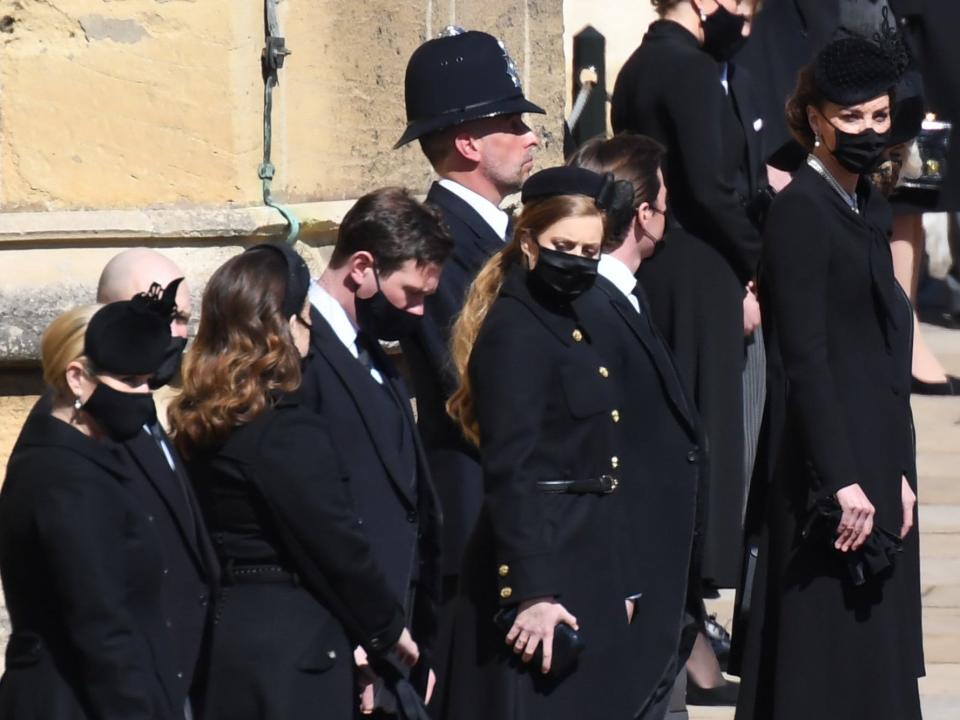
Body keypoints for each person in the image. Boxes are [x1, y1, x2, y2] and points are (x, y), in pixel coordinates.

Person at [732, 36, 923, 719]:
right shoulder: (801, 212)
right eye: (852, 118)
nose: (869, 132)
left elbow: (884, 351)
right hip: (826, 470)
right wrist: (841, 478)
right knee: (825, 655)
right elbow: (802, 360)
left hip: (878, 455)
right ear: (814, 117)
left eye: (879, 116)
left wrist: (898, 469)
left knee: (877, 655)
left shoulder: (867, 204)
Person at [168, 243, 422, 720]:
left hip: (224, 638)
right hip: (293, 648)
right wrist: (387, 628)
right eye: (304, 316)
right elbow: (334, 543)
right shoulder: (284, 429)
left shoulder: (198, 421)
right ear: (283, 326)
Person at [442, 166, 640, 720]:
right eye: (564, 246)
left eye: (589, 251)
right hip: (543, 560)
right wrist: (532, 591)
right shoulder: (515, 330)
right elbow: (512, 469)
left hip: (590, 557)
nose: (576, 261)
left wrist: (620, 577)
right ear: (528, 241)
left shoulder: (572, 318)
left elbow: (605, 457)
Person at [394, 29, 543, 704]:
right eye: (511, 123)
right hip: (478, 508)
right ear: (466, 143)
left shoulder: (497, 234)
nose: (530, 135)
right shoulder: (441, 243)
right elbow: (467, 380)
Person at [611, 0, 763, 600]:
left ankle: (688, 631)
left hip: (660, 264)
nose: (745, 14)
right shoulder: (694, 69)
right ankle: (689, 609)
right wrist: (762, 264)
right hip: (704, 270)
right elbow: (711, 188)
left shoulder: (636, 65)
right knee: (712, 442)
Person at [0, 292, 195, 719]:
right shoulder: (64, 478)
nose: (143, 395)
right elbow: (101, 626)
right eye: (129, 382)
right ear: (76, 378)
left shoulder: (85, 459)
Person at [297, 187, 452, 715]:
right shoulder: (299, 354)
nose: (418, 311)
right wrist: (357, 638)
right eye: (410, 293)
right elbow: (310, 512)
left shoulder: (370, 355)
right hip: (344, 642)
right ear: (361, 268)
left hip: (393, 638)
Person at [569, 134, 705, 719]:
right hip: (632, 582)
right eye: (664, 202)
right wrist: (621, 583)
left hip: (657, 579)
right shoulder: (596, 305)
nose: (668, 211)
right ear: (642, 214)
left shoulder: (625, 296)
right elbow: (599, 448)